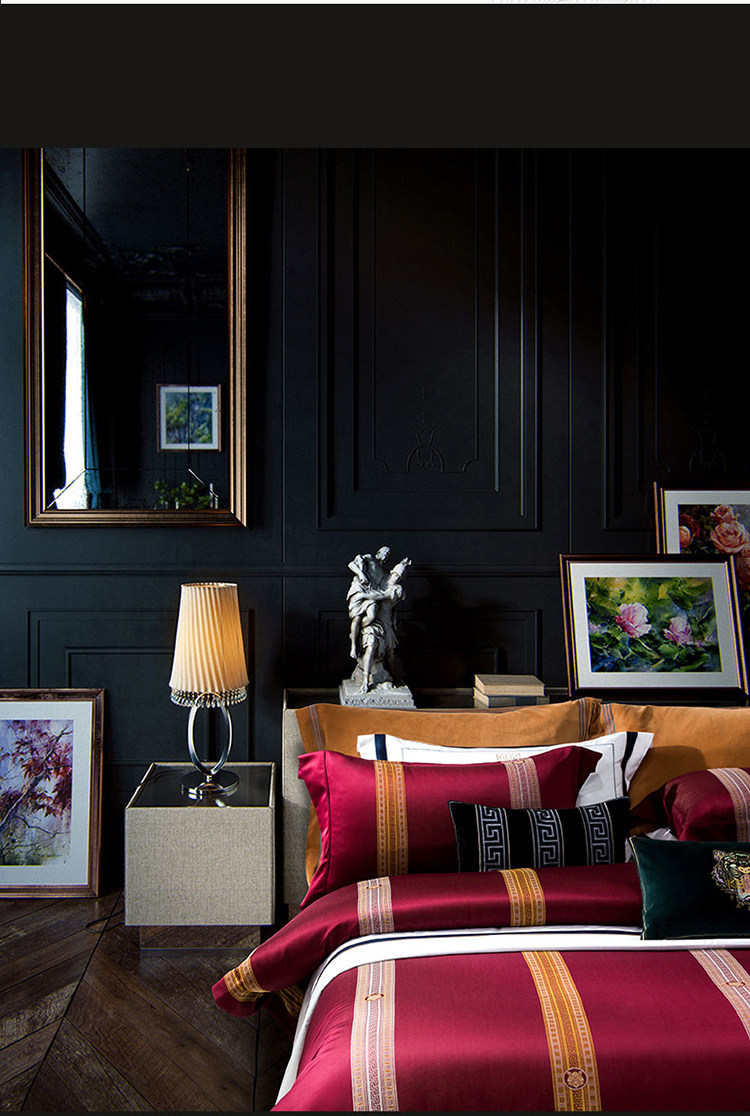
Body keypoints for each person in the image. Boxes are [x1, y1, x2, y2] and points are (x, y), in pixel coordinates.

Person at [346, 547, 411, 692]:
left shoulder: (397, 589)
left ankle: (390, 673)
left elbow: (379, 596)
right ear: (392, 572)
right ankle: (365, 679)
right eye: (396, 574)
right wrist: (361, 575)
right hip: (374, 623)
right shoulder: (382, 577)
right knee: (370, 646)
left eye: (400, 577)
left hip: (386, 624)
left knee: (390, 653)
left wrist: (363, 595)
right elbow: (355, 565)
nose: (397, 578)